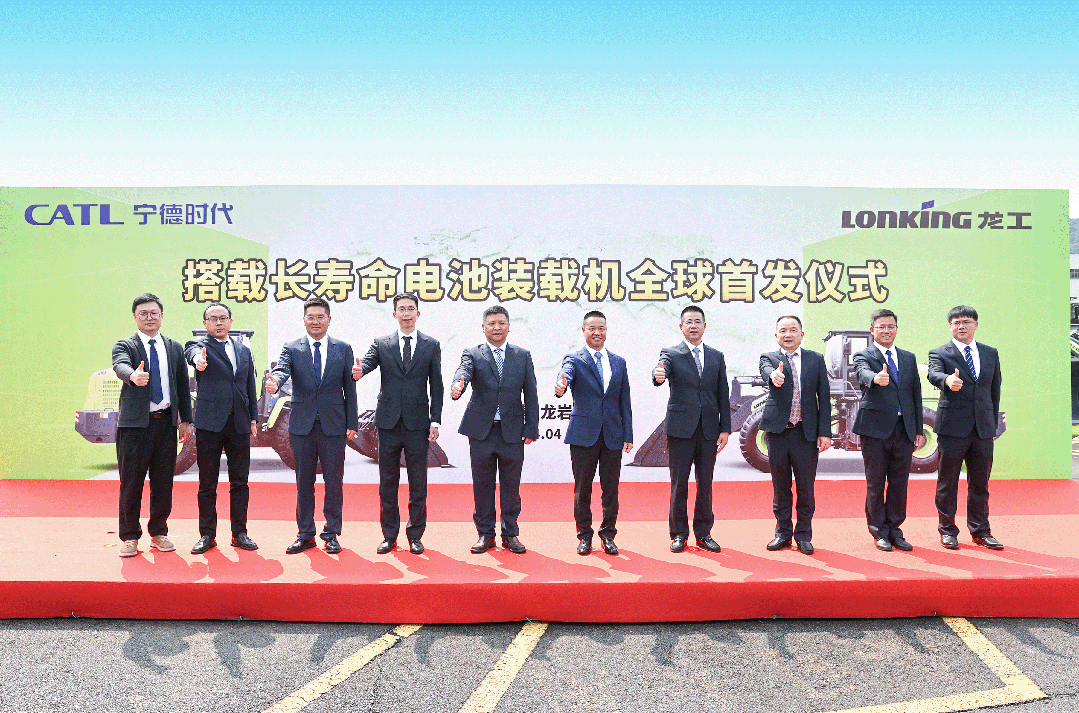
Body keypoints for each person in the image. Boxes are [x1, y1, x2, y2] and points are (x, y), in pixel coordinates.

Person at [265, 295, 358, 555]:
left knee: (334, 482)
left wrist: (352, 422)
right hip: (302, 427)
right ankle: (305, 534)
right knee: (303, 482)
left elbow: (349, 388)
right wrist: (276, 383)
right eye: (310, 317)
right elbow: (282, 370)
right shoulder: (292, 347)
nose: (315, 321)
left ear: (329, 319)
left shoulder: (343, 348)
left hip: (334, 426)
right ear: (303, 320)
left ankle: (331, 534)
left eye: (320, 317)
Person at [353, 292, 444, 555]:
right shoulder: (382, 343)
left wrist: (435, 421)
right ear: (394, 314)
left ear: (418, 313)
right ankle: (389, 536)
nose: (406, 313)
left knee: (418, 483)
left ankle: (415, 535)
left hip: (418, 424)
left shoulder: (430, 345)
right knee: (388, 483)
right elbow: (366, 363)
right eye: (401, 309)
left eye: (410, 308)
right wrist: (359, 370)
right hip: (388, 424)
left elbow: (436, 386)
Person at [450, 305, 539, 554]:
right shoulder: (472, 353)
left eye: (501, 323)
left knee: (511, 487)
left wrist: (531, 427)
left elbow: (531, 393)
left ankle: (510, 535)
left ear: (509, 326)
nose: (497, 328)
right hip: (482, 432)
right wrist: (458, 384)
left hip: (512, 431)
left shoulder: (522, 355)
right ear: (483, 327)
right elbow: (463, 372)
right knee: (483, 486)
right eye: (491, 323)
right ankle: (485, 535)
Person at [111, 293, 192, 558]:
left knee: (163, 483)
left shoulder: (174, 348)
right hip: (134, 427)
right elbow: (120, 366)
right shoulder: (125, 345)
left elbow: (182, 386)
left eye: (154, 313)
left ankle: (159, 532)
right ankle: (130, 537)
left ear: (161, 316)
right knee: (131, 483)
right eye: (143, 313)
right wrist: (133, 375)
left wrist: (185, 421)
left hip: (165, 425)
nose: (149, 317)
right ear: (135, 317)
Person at [652, 305, 730, 554]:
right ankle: (679, 534)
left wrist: (725, 428)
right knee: (679, 483)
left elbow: (723, 394)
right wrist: (658, 374)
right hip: (680, 429)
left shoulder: (716, 356)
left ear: (704, 326)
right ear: (681, 326)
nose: (693, 325)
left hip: (709, 430)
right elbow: (661, 370)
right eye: (689, 321)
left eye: (698, 321)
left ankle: (704, 533)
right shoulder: (671, 353)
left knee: (705, 483)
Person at [554, 310, 633, 556]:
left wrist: (628, 434)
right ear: (583, 331)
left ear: (606, 331)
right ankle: (584, 535)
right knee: (583, 488)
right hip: (583, 434)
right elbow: (566, 374)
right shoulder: (574, 359)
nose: (597, 332)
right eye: (592, 328)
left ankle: (608, 534)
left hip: (613, 434)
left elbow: (624, 401)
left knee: (611, 489)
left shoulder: (619, 362)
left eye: (601, 328)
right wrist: (561, 384)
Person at [184, 302, 260, 554]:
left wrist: (253, 418)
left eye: (223, 318)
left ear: (230, 321)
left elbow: (249, 386)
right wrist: (198, 360)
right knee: (207, 484)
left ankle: (240, 533)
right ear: (205, 323)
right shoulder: (199, 347)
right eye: (213, 318)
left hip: (239, 423)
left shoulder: (243, 350)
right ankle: (207, 535)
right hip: (210, 424)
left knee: (240, 483)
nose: (219, 322)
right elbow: (192, 352)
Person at [927, 305, 1004, 550]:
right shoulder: (940, 352)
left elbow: (994, 390)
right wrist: (947, 380)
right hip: (952, 429)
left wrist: (992, 424)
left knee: (980, 484)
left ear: (976, 325)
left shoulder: (990, 353)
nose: (962, 326)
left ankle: (981, 531)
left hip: (982, 430)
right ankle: (947, 530)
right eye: (956, 322)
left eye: (966, 322)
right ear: (950, 327)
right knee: (947, 483)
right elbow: (933, 374)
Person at [852, 309, 924, 552]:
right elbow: (862, 373)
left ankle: (895, 530)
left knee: (899, 483)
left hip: (904, 429)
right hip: (874, 430)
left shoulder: (908, 358)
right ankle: (879, 532)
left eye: (890, 326)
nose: (886, 330)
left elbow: (915, 394)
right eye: (881, 327)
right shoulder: (863, 355)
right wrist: (875, 378)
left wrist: (917, 429)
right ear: (872, 330)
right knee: (875, 483)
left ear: (896, 329)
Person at [758, 315, 831, 555]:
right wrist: (773, 375)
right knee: (780, 487)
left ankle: (804, 535)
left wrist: (824, 432)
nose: (788, 334)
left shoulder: (815, 359)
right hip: (778, 433)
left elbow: (824, 397)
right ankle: (782, 534)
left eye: (793, 330)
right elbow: (766, 371)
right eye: (783, 330)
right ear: (776, 335)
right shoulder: (769, 358)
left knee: (806, 487)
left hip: (805, 434)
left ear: (802, 334)